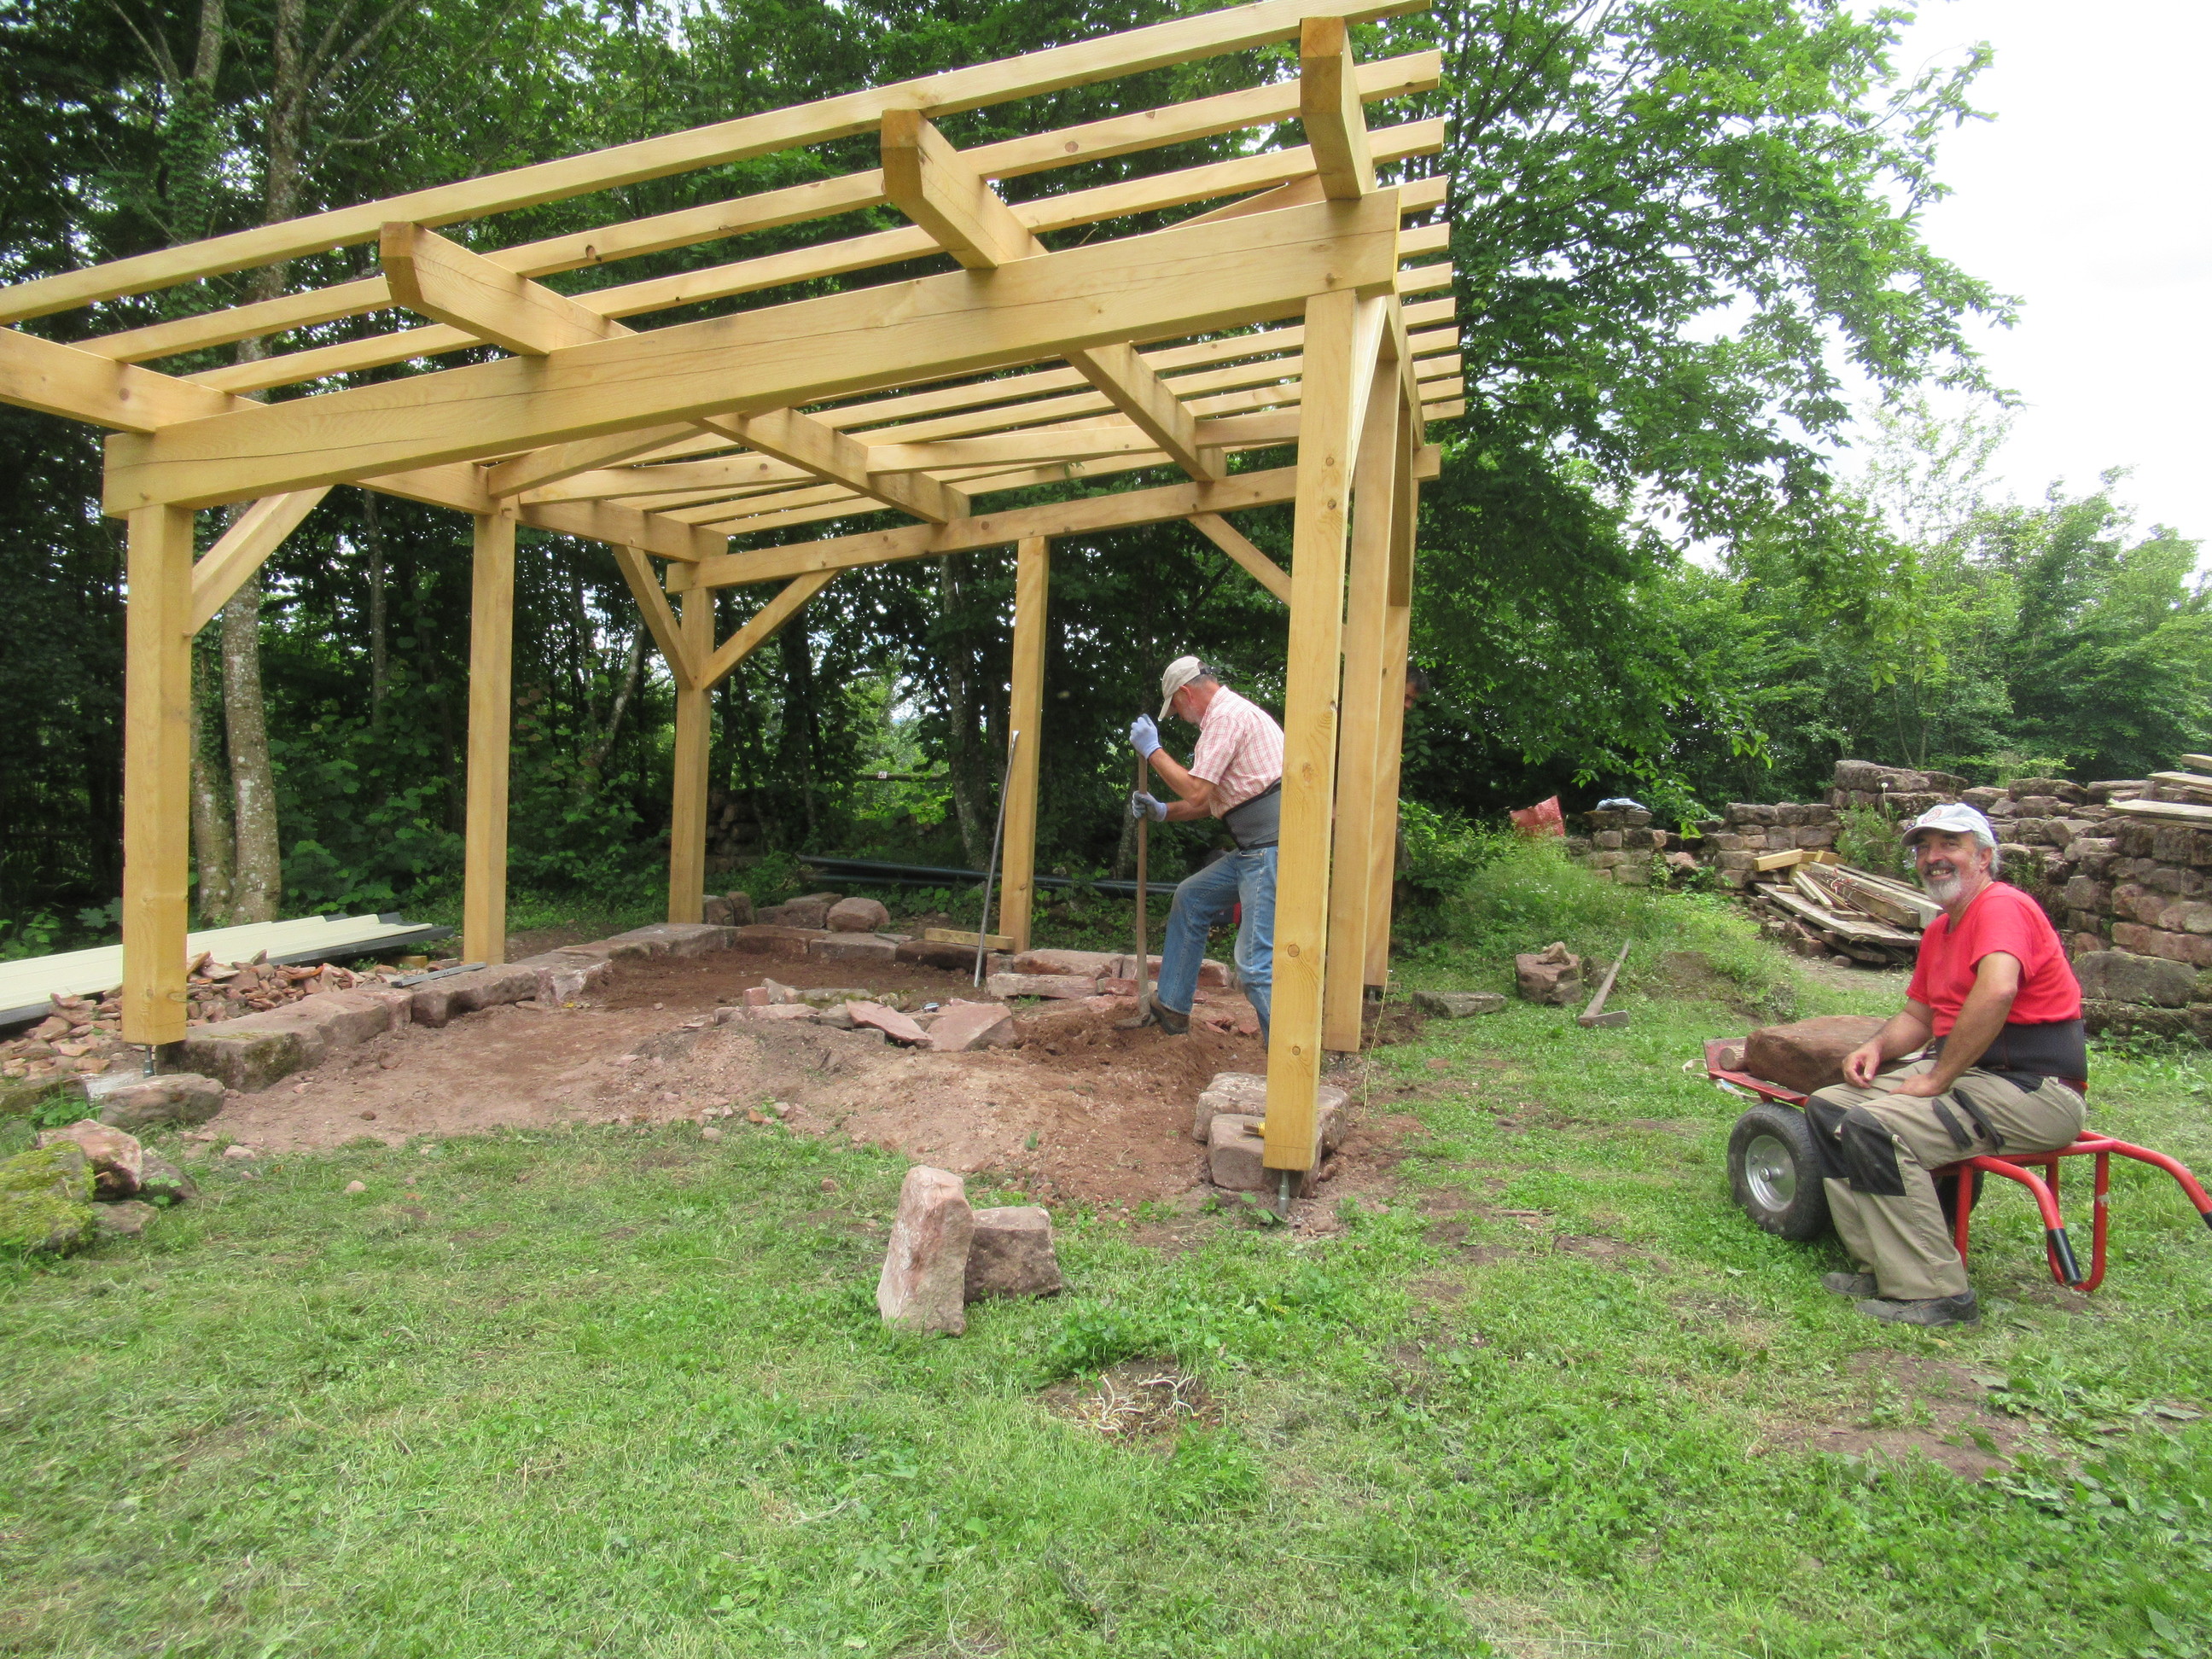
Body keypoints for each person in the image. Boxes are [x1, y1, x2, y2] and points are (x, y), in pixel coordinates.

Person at [1806, 802, 2087, 1327]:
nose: (1933, 857)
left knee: (1874, 1126)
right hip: (1976, 1077)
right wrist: (1877, 1048)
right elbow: (1920, 1015)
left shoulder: (2003, 907)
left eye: (1949, 845)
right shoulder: (1941, 930)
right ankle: (1882, 1265)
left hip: (2033, 1088)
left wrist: (1938, 1077)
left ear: (1984, 857)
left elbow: (1998, 991)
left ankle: (1937, 1294)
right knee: (1828, 1108)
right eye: (1923, 848)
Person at [1127, 656, 1284, 1042]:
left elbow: (1196, 791)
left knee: (1254, 965)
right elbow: (1208, 800)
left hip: (1269, 850)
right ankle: (1173, 1007)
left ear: (1185, 693)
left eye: (1177, 708)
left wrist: (1153, 751)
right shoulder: (1230, 715)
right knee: (1192, 897)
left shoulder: (1225, 718)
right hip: (1254, 848)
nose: (1181, 717)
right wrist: (1163, 811)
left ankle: (1291, 1057)